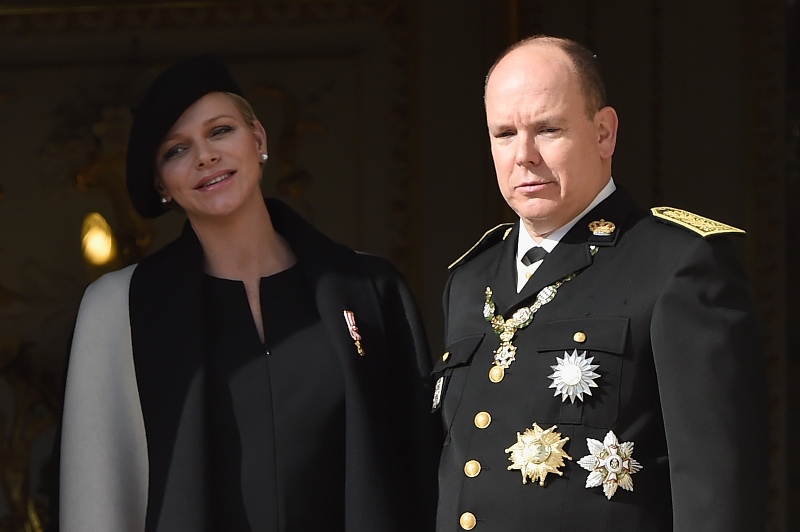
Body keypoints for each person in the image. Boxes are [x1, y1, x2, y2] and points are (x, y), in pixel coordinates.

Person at [49, 54, 440, 531]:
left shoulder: (371, 289)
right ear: (161, 184)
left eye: (220, 131)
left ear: (258, 139)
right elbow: (93, 502)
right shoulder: (119, 308)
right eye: (177, 150)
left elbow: (420, 469)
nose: (205, 156)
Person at [432, 35, 767, 531]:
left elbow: (716, 490)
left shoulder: (676, 265)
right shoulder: (468, 280)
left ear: (604, 133)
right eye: (504, 134)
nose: (524, 155)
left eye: (548, 129)